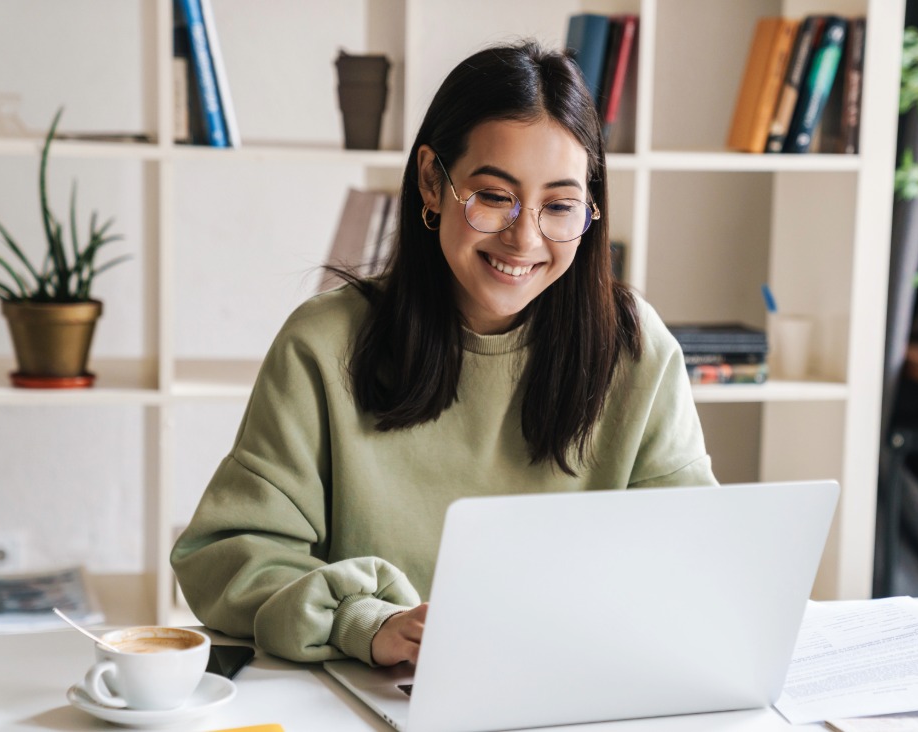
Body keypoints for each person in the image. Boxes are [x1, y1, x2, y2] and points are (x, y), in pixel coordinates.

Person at [171, 40, 717, 669]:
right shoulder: (323, 346)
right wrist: (362, 620)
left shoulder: (636, 351)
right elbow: (227, 554)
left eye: (560, 206)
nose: (525, 237)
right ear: (433, 181)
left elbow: (693, 557)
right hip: (379, 693)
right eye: (493, 195)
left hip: (575, 686)